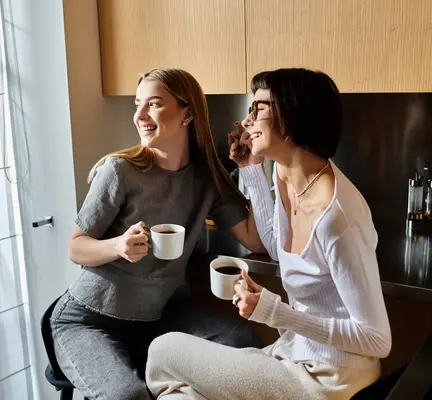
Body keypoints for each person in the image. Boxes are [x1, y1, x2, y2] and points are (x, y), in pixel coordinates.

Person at [145, 68, 392, 400]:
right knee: (181, 396)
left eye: (258, 109)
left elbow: (377, 339)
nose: (246, 123)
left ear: (291, 117)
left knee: (163, 351)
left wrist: (275, 312)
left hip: (328, 378)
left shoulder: (337, 218)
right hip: (292, 354)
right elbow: (277, 247)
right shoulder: (285, 174)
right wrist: (251, 170)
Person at [50, 68, 265, 400]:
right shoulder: (119, 171)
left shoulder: (207, 178)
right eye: (138, 104)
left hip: (159, 316)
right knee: (128, 396)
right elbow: (76, 248)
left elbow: (255, 239)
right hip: (89, 320)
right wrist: (118, 246)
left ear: (187, 114)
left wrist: (252, 167)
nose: (140, 115)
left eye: (154, 104)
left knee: (243, 344)